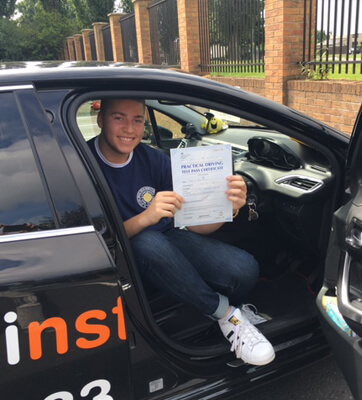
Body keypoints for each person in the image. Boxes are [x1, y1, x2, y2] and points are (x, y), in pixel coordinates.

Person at [87, 98, 275, 366]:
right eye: (119, 118)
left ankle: (223, 311)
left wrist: (229, 208)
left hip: (168, 239)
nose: (129, 128)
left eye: (137, 120)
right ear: (100, 120)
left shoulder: (154, 160)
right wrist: (145, 218)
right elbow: (94, 241)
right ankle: (228, 316)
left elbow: (197, 226)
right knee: (147, 242)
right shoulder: (83, 164)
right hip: (123, 255)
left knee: (244, 269)